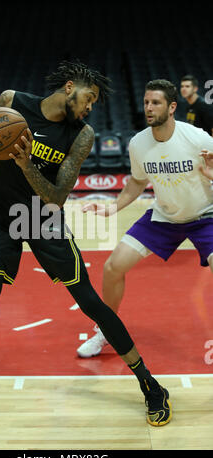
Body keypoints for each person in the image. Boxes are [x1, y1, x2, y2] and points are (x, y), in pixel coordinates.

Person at [0, 62, 172, 443]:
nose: (90, 108)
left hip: (41, 218)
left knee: (91, 303)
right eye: (88, 98)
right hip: (2, 217)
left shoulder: (81, 135)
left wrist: (25, 163)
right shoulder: (12, 102)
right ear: (69, 88)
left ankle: (151, 386)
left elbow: (55, 197)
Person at [77, 79, 213, 364]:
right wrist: (113, 207)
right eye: (146, 102)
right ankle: (106, 331)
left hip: (205, 216)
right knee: (113, 266)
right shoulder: (138, 143)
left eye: (156, 103)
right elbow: (137, 182)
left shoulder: (199, 139)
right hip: (163, 216)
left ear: (172, 107)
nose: (149, 108)